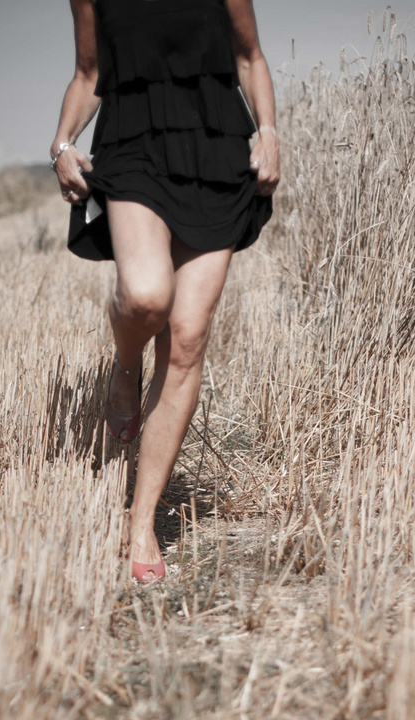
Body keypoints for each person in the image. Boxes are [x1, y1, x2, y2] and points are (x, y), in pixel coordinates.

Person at [51, 0, 280, 581]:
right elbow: (89, 73)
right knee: (147, 296)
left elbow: (250, 57)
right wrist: (61, 145)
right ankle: (124, 372)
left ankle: (141, 518)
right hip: (133, 144)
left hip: (217, 146)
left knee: (186, 337)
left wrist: (270, 132)